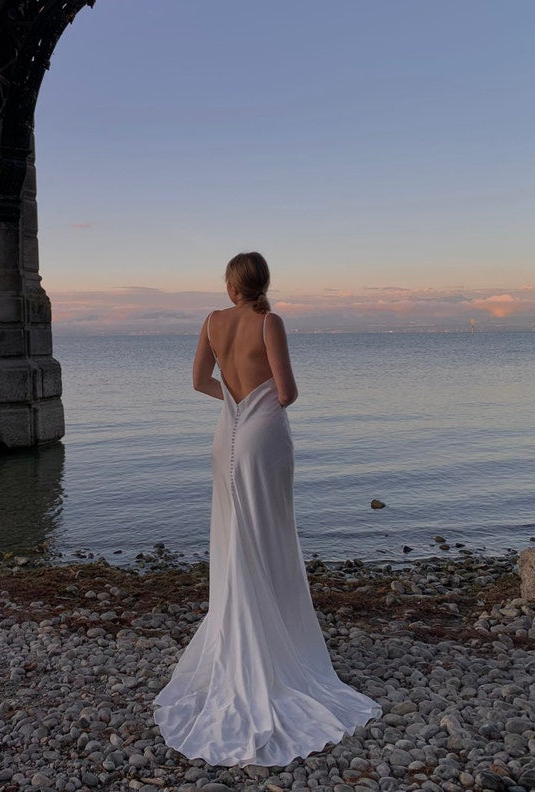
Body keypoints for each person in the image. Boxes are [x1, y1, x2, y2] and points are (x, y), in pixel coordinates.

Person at [153, 252, 382, 767]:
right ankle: (276, 644)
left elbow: (198, 381)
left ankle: (241, 635)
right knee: (271, 535)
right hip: (263, 437)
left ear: (231, 285)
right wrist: (254, 402)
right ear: (263, 283)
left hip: (228, 436)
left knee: (236, 537)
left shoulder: (212, 322)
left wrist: (234, 401)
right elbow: (287, 392)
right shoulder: (269, 322)